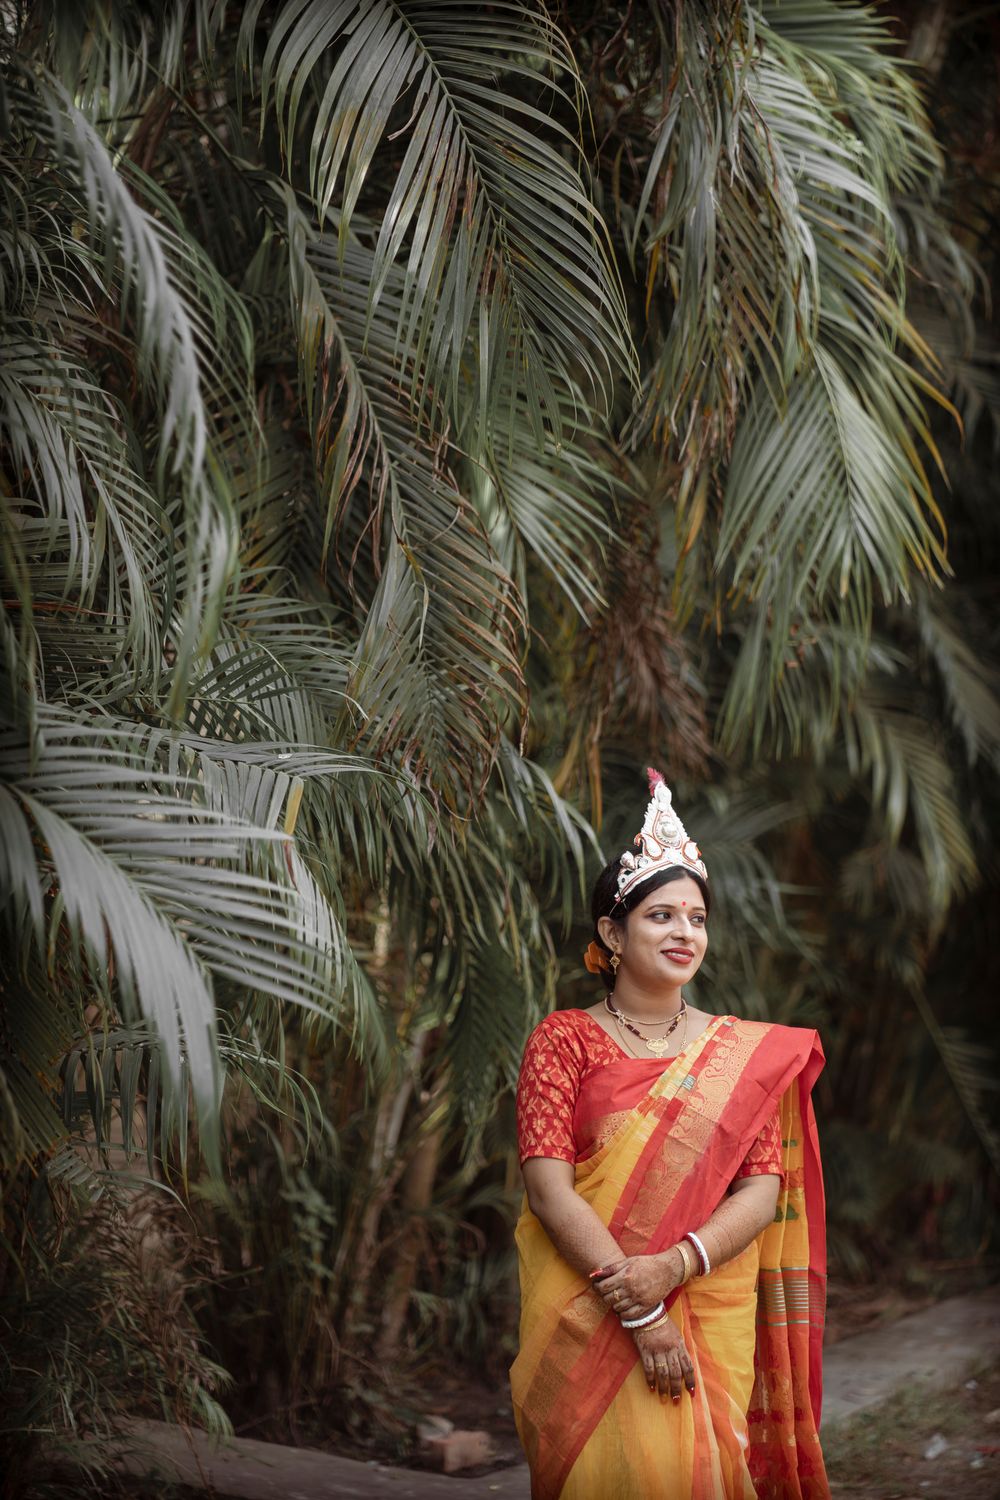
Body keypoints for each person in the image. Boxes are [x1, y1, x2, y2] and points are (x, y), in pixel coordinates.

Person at [510, 771, 829, 1499]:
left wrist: (675, 1267)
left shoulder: (737, 1054)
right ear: (612, 934)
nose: (684, 932)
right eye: (661, 916)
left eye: (696, 917)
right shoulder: (563, 1041)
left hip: (704, 1300)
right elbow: (549, 1190)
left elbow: (760, 1189)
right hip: (586, 1306)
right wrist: (642, 1309)